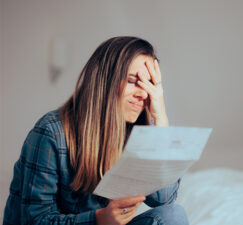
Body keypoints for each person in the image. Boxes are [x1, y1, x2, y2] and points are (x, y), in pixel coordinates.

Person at [3, 36, 189, 225]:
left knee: (172, 216)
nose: (143, 93)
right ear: (106, 81)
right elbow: (35, 220)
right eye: (133, 81)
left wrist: (161, 120)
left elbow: (163, 198)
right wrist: (99, 219)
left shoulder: (135, 133)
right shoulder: (50, 133)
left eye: (149, 84)